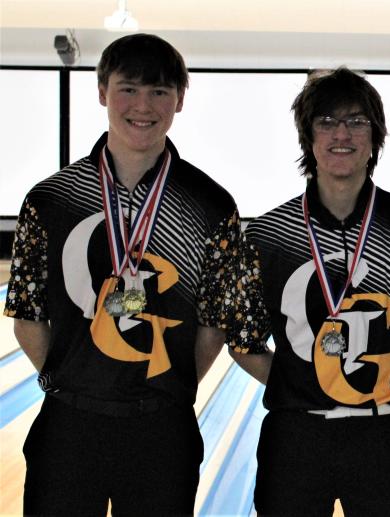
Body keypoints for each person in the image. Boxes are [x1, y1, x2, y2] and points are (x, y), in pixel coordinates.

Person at [4, 34, 241, 515]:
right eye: (129, 88)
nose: (143, 106)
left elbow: (214, 322)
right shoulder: (51, 199)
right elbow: (27, 315)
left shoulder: (210, 205)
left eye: (159, 92)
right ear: (101, 91)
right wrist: (75, 379)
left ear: (179, 99)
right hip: (68, 426)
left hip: (162, 430)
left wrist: (167, 389)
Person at [228, 67, 390, 516]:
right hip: (295, 439)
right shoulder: (268, 234)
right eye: (327, 122)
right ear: (308, 137)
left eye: (357, 121)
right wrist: (307, 384)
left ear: (376, 136)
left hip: (383, 440)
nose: (343, 134)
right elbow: (243, 342)